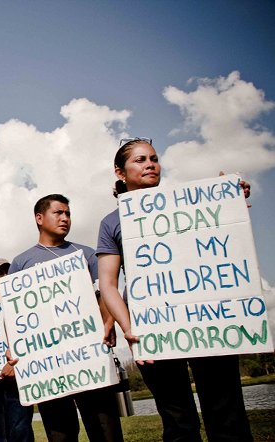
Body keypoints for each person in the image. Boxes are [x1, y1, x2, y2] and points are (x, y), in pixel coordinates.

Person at [96, 137, 253, 441]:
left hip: (208, 322)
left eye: (153, 158)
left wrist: (228, 198)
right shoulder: (110, 223)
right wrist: (130, 330)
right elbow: (108, 284)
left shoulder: (189, 204)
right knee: (178, 419)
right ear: (120, 172)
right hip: (153, 330)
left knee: (227, 414)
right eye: (140, 160)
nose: (150, 164)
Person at [10, 194, 123, 441]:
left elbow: (105, 291)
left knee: (106, 429)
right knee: (61, 433)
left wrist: (109, 322)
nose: (65, 218)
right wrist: (13, 348)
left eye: (68, 213)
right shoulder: (20, 263)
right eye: (58, 213)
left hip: (90, 356)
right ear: (39, 218)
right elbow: (13, 315)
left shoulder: (87, 253)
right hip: (47, 366)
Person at [0, 258, 34, 442]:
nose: (5, 276)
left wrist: (16, 363)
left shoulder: (23, 304)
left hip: (18, 377)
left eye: (7, 272)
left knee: (20, 429)